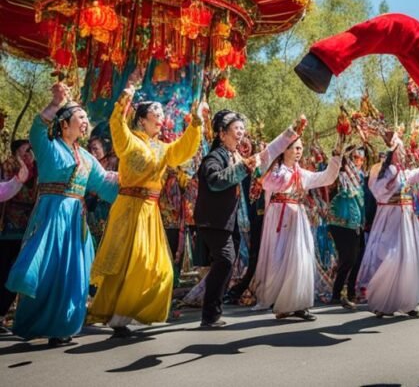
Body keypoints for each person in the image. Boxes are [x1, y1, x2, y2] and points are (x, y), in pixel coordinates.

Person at [87, 82, 207, 337]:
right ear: (142, 119)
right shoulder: (129, 141)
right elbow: (117, 124)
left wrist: (196, 124)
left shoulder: (163, 148)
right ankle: (119, 317)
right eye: (157, 112)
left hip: (151, 212)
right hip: (129, 208)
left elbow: (183, 150)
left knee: (161, 267)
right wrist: (125, 98)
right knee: (131, 261)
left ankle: (136, 311)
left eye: (163, 113)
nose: (162, 117)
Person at [5, 83, 118, 345]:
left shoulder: (87, 158)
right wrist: (55, 102)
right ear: (64, 123)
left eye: (86, 118)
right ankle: (35, 322)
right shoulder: (48, 146)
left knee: (74, 273)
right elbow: (36, 130)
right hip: (51, 216)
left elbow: (105, 184)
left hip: (76, 220)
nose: (86, 122)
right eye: (81, 117)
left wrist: (133, 180)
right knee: (46, 270)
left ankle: (62, 326)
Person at [193, 110, 296, 328]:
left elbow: (265, 155)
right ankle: (209, 314)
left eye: (242, 128)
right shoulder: (214, 158)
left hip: (229, 221)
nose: (241, 133)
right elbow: (216, 181)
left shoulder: (235, 156)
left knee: (226, 264)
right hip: (213, 221)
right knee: (226, 259)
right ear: (222, 134)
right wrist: (244, 166)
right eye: (236, 128)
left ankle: (212, 313)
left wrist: (289, 134)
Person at [252, 124, 342, 320]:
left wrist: (336, 158)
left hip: (298, 217)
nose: (299, 151)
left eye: (301, 148)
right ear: (285, 149)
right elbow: (267, 182)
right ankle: (282, 304)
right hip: (280, 216)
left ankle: (299, 304)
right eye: (295, 147)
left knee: (301, 257)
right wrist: (289, 173)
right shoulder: (275, 171)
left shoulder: (302, 173)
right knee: (281, 258)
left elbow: (326, 177)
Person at [358, 134, 419, 317]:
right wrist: (393, 176)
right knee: (390, 255)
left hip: (406, 219)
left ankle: (408, 301)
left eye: (403, 150)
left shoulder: (405, 173)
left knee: (407, 257)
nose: (403, 153)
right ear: (392, 152)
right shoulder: (384, 172)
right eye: (400, 150)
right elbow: (378, 191)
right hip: (390, 218)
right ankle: (382, 300)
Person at [0, 140, 36, 334]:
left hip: (28, 230)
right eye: (26, 150)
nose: (29, 154)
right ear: (16, 152)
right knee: (4, 271)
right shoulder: (8, 166)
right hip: (7, 229)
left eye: (32, 150)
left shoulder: (38, 171)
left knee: (19, 272)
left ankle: (5, 313)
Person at [225, 135, 264, 305]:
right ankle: (237, 291)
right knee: (253, 256)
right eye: (242, 146)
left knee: (259, 256)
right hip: (248, 217)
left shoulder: (261, 169)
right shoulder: (243, 169)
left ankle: (242, 290)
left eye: (248, 146)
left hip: (263, 216)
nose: (245, 148)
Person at [328, 147, 367, 310]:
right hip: (342, 223)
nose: (359, 162)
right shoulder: (342, 175)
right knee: (348, 258)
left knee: (357, 257)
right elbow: (342, 191)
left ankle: (351, 291)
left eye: (361, 159)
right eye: (356, 158)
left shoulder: (359, 178)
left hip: (357, 223)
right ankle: (336, 294)